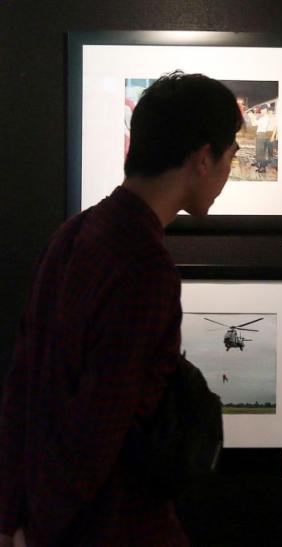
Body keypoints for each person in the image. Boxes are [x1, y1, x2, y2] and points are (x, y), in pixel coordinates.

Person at [0, 70, 242, 546]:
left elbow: (24, 386)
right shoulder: (144, 264)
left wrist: (13, 517)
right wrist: (40, 528)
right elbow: (101, 421)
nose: (229, 171)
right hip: (106, 523)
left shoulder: (75, 232)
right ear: (203, 158)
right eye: (231, 155)